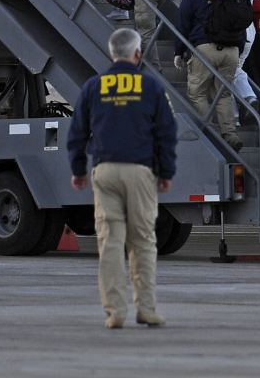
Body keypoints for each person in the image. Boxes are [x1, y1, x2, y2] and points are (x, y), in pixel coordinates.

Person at [66, 28, 177, 329]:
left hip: (105, 171)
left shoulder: (94, 86)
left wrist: (78, 170)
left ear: (112, 53)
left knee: (110, 243)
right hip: (139, 171)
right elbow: (167, 132)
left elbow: (76, 133)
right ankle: (147, 308)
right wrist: (166, 172)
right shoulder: (151, 87)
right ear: (137, 54)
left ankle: (115, 311)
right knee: (142, 241)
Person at [174, 0, 245, 151]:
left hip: (205, 49)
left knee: (197, 92)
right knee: (223, 93)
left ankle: (211, 133)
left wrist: (178, 51)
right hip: (231, 51)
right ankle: (230, 134)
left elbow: (184, 24)